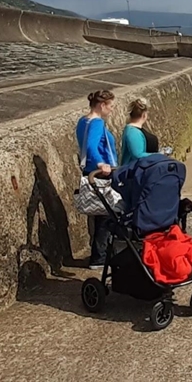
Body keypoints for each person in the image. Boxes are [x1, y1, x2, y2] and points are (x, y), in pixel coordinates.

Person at [76, 89, 118, 267]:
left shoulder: (82, 121)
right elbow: (92, 146)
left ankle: (99, 252)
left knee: (96, 214)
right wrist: (102, 164)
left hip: (89, 174)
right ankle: (100, 257)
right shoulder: (97, 123)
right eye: (110, 106)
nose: (111, 110)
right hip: (101, 174)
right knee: (106, 215)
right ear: (102, 105)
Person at [121, 97, 159, 166]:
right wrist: (158, 155)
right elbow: (137, 155)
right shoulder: (133, 132)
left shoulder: (132, 130)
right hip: (133, 173)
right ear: (144, 115)